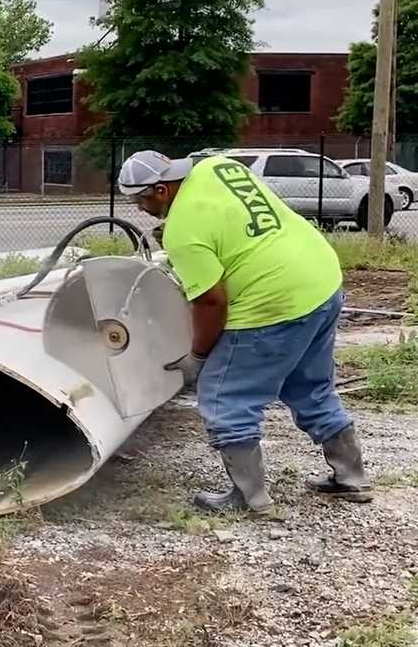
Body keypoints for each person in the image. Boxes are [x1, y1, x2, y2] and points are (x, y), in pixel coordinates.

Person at [118, 150, 371, 517]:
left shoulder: (183, 230)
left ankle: (250, 498)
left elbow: (211, 302)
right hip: (320, 280)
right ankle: (353, 477)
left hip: (274, 301)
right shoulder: (219, 166)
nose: (139, 209)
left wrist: (198, 357)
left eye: (140, 200)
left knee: (224, 395)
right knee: (309, 385)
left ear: (161, 188)